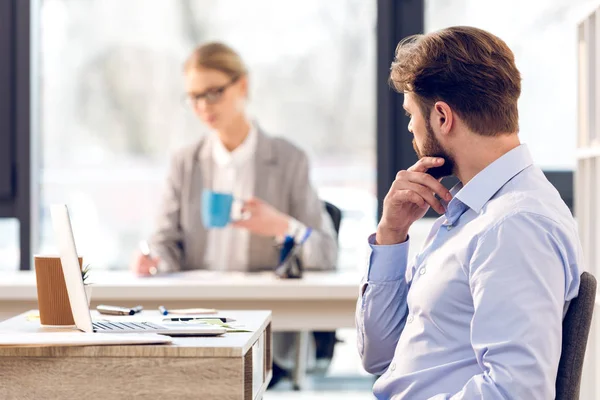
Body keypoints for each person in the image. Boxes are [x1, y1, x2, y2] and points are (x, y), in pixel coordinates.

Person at [356, 26, 582, 399]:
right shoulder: (469, 213)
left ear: (442, 117)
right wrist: (391, 234)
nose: (411, 128)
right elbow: (380, 356)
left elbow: (516, 393)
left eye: (411, 115)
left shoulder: (514, 226)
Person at [130, 42, 338, 386]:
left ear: (242, 86)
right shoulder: (185, 163)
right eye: (194, 97)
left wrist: (283, 226)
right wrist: (153, 259)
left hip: (265, 328)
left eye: (213, 93)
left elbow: (326, 254)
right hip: (194, 327)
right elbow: (165, 242)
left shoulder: (289, 160)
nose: (203, 106)